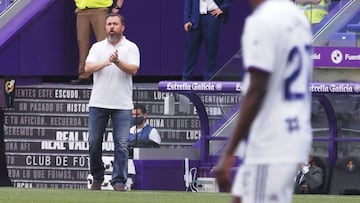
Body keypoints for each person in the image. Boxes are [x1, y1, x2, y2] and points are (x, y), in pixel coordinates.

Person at [214, 0, 314, 202]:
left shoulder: (263, 19)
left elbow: (258, 88)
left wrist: (228, 152)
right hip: (293, 129)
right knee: (240, 197)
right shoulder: (297, 17)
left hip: (272, 137)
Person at [85, 13, 140, 191]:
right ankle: (97, 177)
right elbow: (87, 68)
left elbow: (133, 69)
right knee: (94, 142)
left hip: (122, 105)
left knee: (122, 144)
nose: (111, 27)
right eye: (108, 24)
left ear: (122, 27)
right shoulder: (97, 47)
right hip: (98, 103)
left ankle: (118, 182)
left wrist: (117, 62)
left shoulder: (131, 47)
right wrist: (106, 62)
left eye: (115, 24)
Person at [71, 0, 124, 85]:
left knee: (104, 43)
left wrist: (118, 5)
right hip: (82, 9)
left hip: (100, 8)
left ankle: (106, 75)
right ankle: (84, 75)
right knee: (82, 42)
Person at [183, 0, 233, 81]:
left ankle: (209, 78)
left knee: (211, 49)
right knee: (191, 50)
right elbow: (188, 1)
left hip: (212, 16)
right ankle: (186, 78)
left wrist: (223, 8)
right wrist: (186, 19)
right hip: (195, 18)